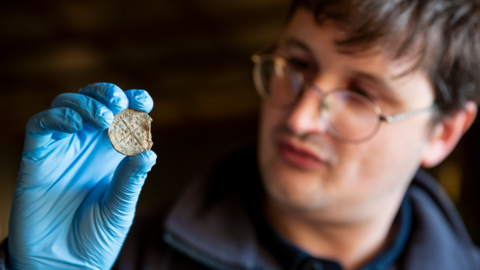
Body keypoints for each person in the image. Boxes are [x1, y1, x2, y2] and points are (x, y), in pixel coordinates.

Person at [2, 0, 480, 269]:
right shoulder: (124, 259)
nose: (299, 118)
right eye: (296, 65)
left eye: (361, 94)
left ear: (445, 132)